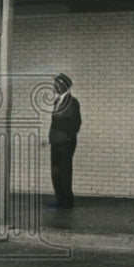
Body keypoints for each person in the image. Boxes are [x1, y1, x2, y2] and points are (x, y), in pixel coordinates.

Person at [47, 73, 81, 209]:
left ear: (64, 86)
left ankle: (67, 201)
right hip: (55, 142)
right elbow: (54, 122)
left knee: (65, 171)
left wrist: (67, 138)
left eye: (57, 84)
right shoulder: (57, 101)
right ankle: (59, 199)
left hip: (66, 143)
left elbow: (76, 123)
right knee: (55, 171)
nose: (54, 87)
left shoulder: (73, 102)